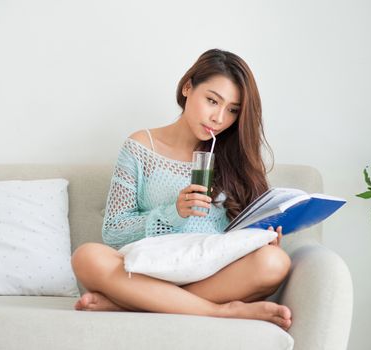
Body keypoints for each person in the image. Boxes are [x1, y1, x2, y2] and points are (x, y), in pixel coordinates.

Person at [71, 48, 292, 331]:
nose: (219, 118)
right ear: (188, 87)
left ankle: (131, 304)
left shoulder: (235, 157)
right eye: (212, 101)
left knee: (274, 262)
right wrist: (173, 214)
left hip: (211, 272)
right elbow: (113, 231)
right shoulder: (141, 146)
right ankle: (220, 311)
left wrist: (262, 236)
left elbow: (241, 232)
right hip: (148, 271)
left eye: (233, 110)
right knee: (87, 257)